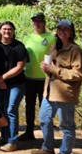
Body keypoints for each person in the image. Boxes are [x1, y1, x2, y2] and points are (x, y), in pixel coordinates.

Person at [33, 19, 82, 154]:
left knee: (66, 126)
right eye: (59, 29)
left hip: (65, 94)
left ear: (71, 32)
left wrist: (54, 70)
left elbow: (78, 74)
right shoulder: (54, 47)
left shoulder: (76, 50)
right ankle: (48, 148)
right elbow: (50, 68)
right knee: (44, 118)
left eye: (65, 29)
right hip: (49, 91)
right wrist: (46, 68)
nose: (62, 32)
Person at [0, 21, 29, 152]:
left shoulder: (19, 46)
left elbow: (20, 66)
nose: (7, 32)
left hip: (16, 84)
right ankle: (4, 136)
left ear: (13, 31)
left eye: (10, 29)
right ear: (0, 31)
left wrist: (3, 78)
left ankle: (12, 141)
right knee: (2, 110)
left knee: (11, 110)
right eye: (4, 29)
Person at [20, 12, 56, 142]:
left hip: (45, 79)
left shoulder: (51, 38)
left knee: (45, 108)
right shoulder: (27, 38)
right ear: (32, 23)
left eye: (40, 21)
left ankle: (46, 136)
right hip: (29, 77)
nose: (37, 23)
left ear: (44, 23)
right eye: (35, 21)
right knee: (29, 106)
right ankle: (29, 131)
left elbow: (56, 56)